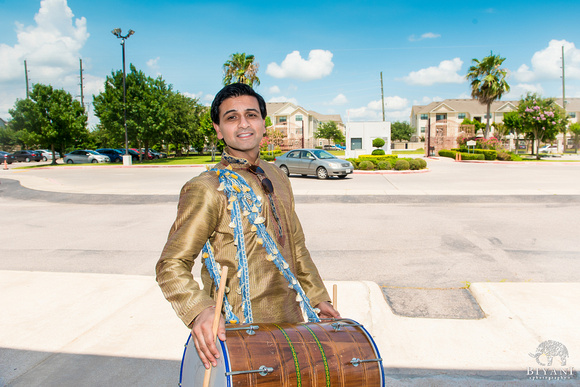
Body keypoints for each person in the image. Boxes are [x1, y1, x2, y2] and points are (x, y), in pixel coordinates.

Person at [156, 83, 340, 370]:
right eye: (231, 117)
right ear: (218, 129)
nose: (243, 123)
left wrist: (318, 297)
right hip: (238, 334)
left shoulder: (277, 176)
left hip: (292, 326)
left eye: (251, 115)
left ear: (263, 124)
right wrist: (198, 311)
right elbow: (171, 264)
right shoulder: (207, 188)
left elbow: (295, 246)